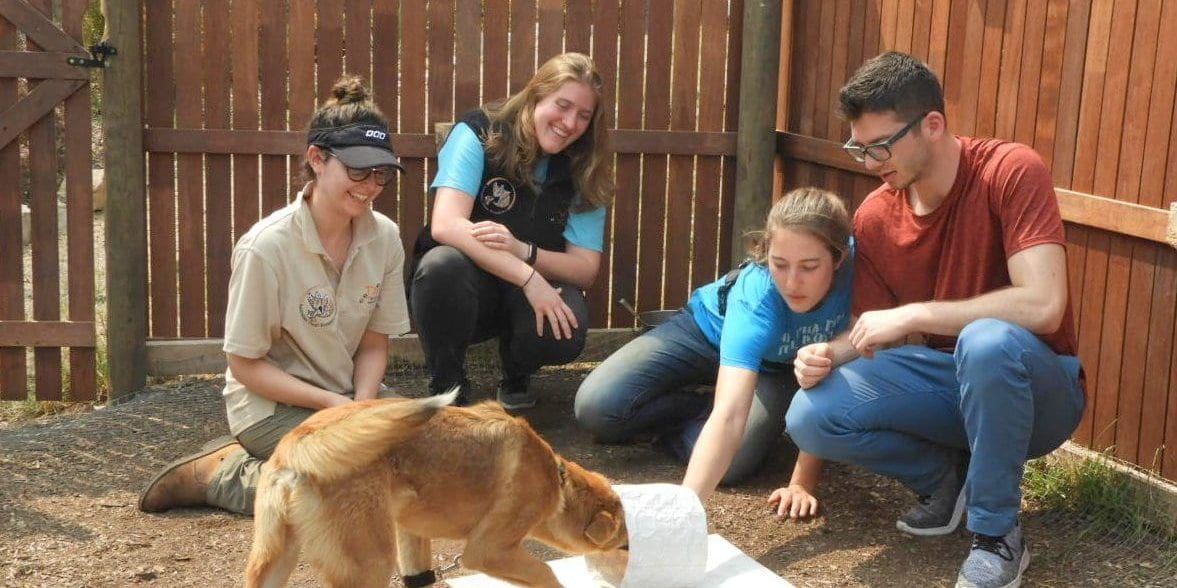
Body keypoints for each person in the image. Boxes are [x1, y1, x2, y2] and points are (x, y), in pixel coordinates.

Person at [785, 52, 1084, 588]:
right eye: (860, 147)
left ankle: (997, 535)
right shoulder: (875, 214)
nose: (871, 161)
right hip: (948, 388)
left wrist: (917, 314)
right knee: (810, 414)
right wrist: (828, 353)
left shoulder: (1009, 171)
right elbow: (869, 328)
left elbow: (1044, 305)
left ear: (933, 125)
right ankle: (947, 483)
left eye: (881, 145)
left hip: (1040, 393)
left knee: (987, 342)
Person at [139, 76, 411, 515]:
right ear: (317, 159)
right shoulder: (265, 248)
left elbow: (375, 342)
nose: (371, 184)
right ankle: (221, 473)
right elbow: (245, 365)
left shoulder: (386, 237)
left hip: (344, 395)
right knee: (354, 491)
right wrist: (337, 409)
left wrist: (360, 407)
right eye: (358, 169)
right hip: (270, 407)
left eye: (381, 172)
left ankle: (305, 460)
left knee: (426, 456)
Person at [576, 187, 853, 511]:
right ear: (765, 253)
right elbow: (730, 414)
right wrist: (685, 512)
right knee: (597, 406)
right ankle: (701, 408)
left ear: (839, 259)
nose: (791, 283)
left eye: (808, 267)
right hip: (707, 333)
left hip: (776, 368)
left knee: (734, 462)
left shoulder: (861, 271)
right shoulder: (757, 295)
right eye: (779, 264)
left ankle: (687, 423)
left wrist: (800, 482)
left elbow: (828, 374)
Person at [409, 52, 613, 409]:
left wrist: (524, 252)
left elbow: (584, 268)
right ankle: (447, 384)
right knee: (440, 267)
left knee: (566, 326)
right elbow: (445, 224)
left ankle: (517, 373)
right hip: (471, 286)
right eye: (562, 105)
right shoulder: (479, 131)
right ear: (536, 96)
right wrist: (527, 277)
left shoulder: (585, 166)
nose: (569, 123)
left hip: (529, 284)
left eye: (583, 115)